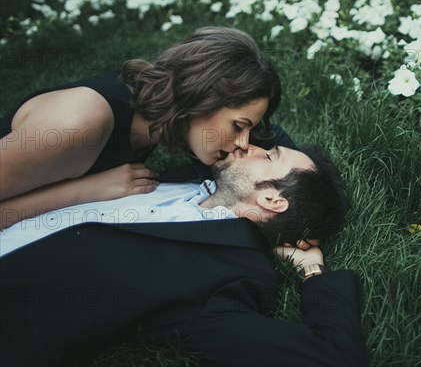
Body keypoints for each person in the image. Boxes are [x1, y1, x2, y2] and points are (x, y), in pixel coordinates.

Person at [0, 144, 367, 366]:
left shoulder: (230, 276)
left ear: (273, 199)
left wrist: (313, 272)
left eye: (267, 155)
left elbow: (331, 359)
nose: (247, 144)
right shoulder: (187, 173)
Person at [0, 26, 293, 229]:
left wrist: (298, 212)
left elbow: (277, 148)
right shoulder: (75, 125)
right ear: (200, 96)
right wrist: (86, 190)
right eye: (238, 126)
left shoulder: (165, 118)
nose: (243, 143)